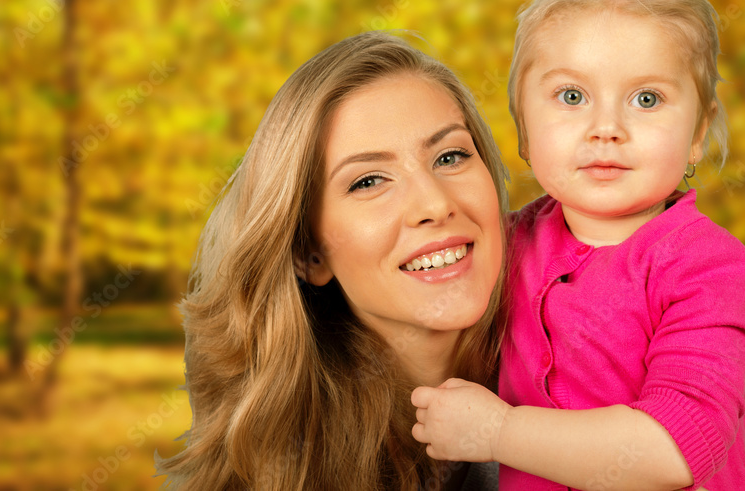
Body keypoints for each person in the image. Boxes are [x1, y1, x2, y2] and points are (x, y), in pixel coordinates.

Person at [412, 0, 745, 490]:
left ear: (698, 133)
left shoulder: (708, 269)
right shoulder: (510, 244)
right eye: (572, 96)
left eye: (646, 98)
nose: (607, 127)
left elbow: (673, 451)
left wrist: (499, 432)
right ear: (525, 130)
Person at [158, 31, 511, 490]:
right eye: (367, 181)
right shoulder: (274, 465)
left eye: (450, 155)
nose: (434, 203)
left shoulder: (609, 373)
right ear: (309, 254)